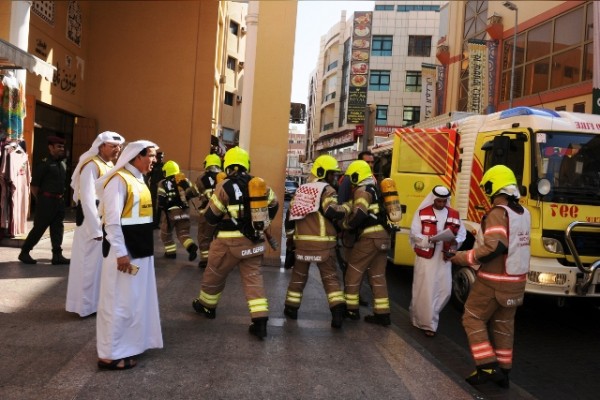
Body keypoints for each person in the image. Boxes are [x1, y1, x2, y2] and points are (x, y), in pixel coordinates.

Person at [450, 165, 531, 388]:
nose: (486, 192)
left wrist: (461, 257)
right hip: (517, 281)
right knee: (504, 325)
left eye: (487, 187)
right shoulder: (523, 213)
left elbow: (494, 247)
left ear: (494, 186)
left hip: (494, 280)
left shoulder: (498, 213)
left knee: (472, 318)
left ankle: (486, 366)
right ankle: (503, 372)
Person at [192, 146, 279, 340]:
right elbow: (274, 203)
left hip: (227, 244)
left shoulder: (224, 186)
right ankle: (260, 321)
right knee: (254, 281)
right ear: (247, 164)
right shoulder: (258, 184)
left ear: (228, 165)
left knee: (214, 274)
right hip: (254, 243)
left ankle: (206, 307)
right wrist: (263, 222)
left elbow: (211, 217)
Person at [95, 140, 163, 370]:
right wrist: (121, 252)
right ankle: (110, 355)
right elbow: (112, 221)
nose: (154, 160)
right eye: (151, 155)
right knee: (117, 304)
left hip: (140, 251)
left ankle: (128, 346)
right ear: (137, 156)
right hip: (124, 255)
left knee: (133, 303)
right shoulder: (118, 181)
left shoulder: (139, 179)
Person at [283, 155, 350, 329]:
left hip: (302, 245)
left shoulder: (301, 189)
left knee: (298, 278)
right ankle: (337, 313)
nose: (334, 177)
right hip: (323, 245)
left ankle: (291, 308)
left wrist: (291, 239)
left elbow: (290, 218)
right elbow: (331, 211)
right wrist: (347, 208)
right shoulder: (327, 190)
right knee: (330, 278)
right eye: (332, 174)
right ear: (322, 172)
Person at [66, 131, 125, 317]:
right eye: (113, 146)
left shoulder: (108, 164)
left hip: (103, 221)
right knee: (87, 265)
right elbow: (87, 199)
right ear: (101, 146)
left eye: (119, 146)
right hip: (91, 223)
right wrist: (95, 229)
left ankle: (95, 305)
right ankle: (83, 307)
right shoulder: (91, 165)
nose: (117, 149)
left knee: (99, 266)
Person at [409, 185, 466, 337]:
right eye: (438, 201)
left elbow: (462, 234)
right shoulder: (422, 213)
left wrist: (455, 242)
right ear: (433, 199)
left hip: (444, 258)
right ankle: (428, 324)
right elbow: (414, 233)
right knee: (426, 291)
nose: (441, 204)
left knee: (444, 290)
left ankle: (428, 316)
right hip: (426, 259)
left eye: (444, 201)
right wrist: (429, 239)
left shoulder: (454, 214)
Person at [342, 160, 392, 326]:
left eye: (351, 177)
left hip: (370, 238)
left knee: (353, 272)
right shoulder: (375, 190)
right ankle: (382, 314)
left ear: (357, 175)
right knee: (378, 276)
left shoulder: (362, 191)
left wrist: (346, 225)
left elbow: (359, 214)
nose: (350, 181)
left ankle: (351, 310)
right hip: (384, 237)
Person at [18, 135, 70, 265]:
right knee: (39, 228)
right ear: (50, 147)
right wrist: (42, 199)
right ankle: (25, 252)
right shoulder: (44, 163)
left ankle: (57, 255)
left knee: (57, 228)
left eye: (62, 147)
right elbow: (34, 186)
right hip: (46, 201)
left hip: (59, 201)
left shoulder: (63, 163)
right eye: (58, 146)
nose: (61, 149)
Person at [156, 160, 199, 261]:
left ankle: (170, 253)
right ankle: (191, 247)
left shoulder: (163, 183)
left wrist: (161, 209)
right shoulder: (185, 180)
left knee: (165, 234)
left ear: (166, 172)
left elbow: (161, 200)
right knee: (183, 233)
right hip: (184, 212)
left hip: (171, 213)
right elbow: (193, 193)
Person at [195, 153, 222, 268]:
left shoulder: (201, 178)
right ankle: (220, 260)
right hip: (221, 213)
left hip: (206, 212)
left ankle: (205, 260)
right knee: (220, 237)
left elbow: (195, 191)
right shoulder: (224, 177)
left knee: (204, 236)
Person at [146, 151, 164, 229]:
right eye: (159, 157)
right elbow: (148, 176)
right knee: (152, 205)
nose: (161, 159)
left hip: (161, 189)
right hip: (153, 187)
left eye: (162, 157)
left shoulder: (164, 166)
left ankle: (157, 223)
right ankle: (152, 222)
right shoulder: (153, 165)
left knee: (159, 205)